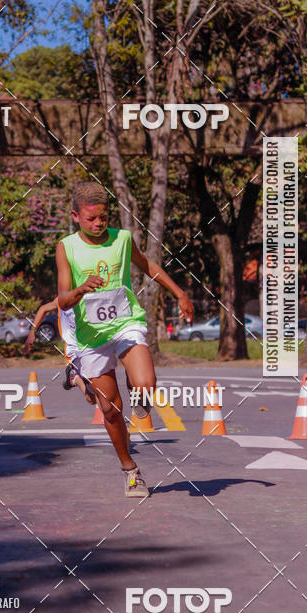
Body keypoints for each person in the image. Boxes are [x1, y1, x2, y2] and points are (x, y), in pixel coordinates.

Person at [56, 181, 194, 498]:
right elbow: (63, 300)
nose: (99, 223)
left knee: (145, 382)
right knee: (109, 411)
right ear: (76, 216)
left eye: (103, 217)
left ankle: (140, 397)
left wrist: (180, 293)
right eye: (91, 218)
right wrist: (80, 289)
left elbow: (148, 266)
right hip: (91, 336)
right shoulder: (66, 247)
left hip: (125, 323)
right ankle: (131, 470)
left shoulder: (122, 239)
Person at [23, 297, 96, 404]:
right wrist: (32, 332)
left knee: (97, 397)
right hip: (74, 350)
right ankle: (74, 377)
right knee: (92, 398)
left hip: (93, 347)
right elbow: (43, 309)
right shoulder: (64, 298)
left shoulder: (92, 296)